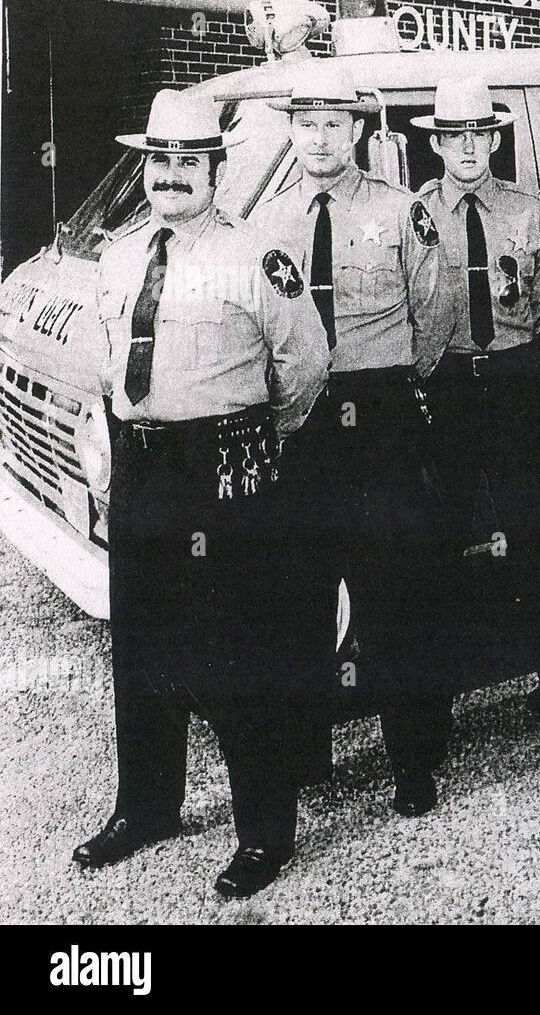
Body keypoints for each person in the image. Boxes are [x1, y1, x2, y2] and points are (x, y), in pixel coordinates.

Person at [74, 89, 329, 897]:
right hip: (142, 464)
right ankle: (146, 805)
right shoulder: (119, 255)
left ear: (217, 167)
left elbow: (306, 369)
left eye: (189, 161)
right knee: (142, 642)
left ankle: (264, 831)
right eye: (160, 162)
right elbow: (107, 362)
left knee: (238, 646)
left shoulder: (257, 256)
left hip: (225, 462)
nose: (172, 177)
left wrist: (250, 438)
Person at [253, 72, 454, 818]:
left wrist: (402, 385)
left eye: (333, 122)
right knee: (300, 591)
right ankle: (306, 753)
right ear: (292, 131)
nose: (319, 137)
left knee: (397, 592)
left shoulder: (403, 213)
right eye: (306, 122)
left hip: (381, 419)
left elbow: (435, 313)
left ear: (359, 131)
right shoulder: (266, 222)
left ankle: (414, 758)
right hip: (302, 420)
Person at [410, 75, 540, 742]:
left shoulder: (530, 212)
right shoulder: (417, 214)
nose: (466, 146)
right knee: (436, 553)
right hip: (446, 387)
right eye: (452, 135)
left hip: (515, 386)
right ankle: (429, 719)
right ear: (435, 142)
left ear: (494, 138)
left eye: (477, 133)